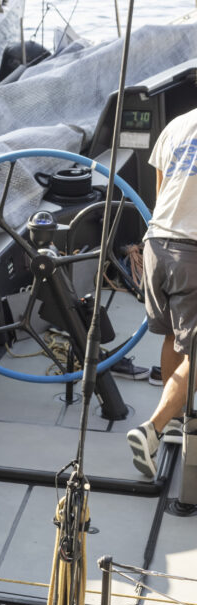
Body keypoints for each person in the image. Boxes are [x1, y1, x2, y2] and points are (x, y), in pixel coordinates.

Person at [127, 108, 197, 477]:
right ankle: (151, 429)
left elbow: (160, 192)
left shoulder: (175, 126)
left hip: (157, 244)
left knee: (174, 334)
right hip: (193, 252)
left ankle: (172, 422)